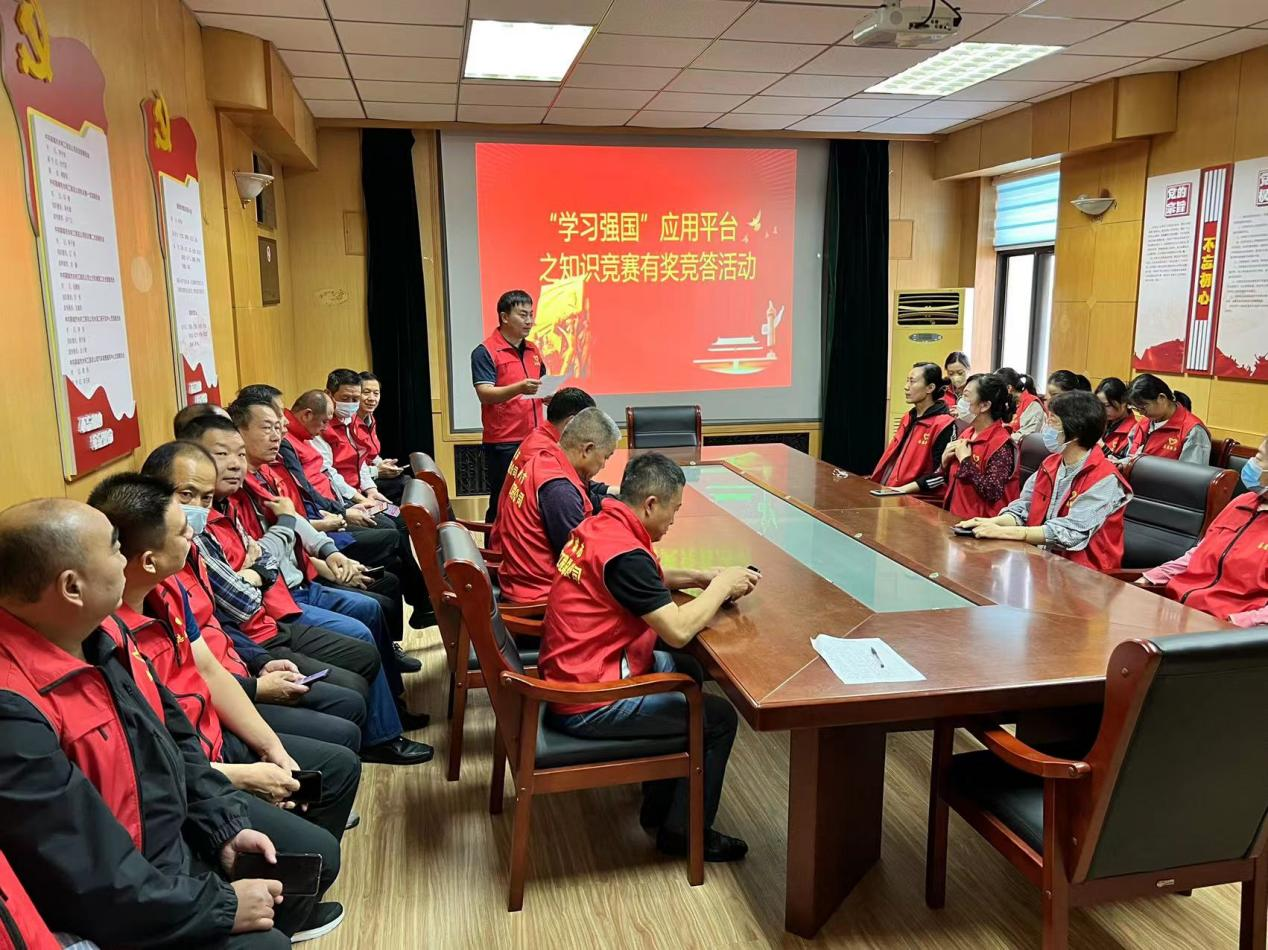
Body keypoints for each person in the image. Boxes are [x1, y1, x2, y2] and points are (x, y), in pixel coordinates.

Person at [0, 498, 323, 947]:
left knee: (303, 864)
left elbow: (174, 740)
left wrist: (222, 829)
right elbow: (88, 874)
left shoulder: (104, 632)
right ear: (72, 587)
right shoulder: (13, 709)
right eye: (116, 549)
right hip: (126, 897)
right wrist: (220, 906)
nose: (125, 561)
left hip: (168, 850)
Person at [86, 473, 362, 844]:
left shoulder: (168, 589)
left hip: (213, 735)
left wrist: (272, 749)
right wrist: (243, 777)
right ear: (149, 560)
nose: (192, 533)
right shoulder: (104, 638)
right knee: (319, 848)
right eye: (182, 531)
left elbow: (209, 671)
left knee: (338, 767)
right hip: (187, 775)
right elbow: (151, 761)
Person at [540, 452, 760, 862]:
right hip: (589, 699)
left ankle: (660, 808)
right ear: (651, 504)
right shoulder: (625, 554)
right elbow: (676, 630)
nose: (674, 520)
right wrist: (721, 587)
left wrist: (700, 577)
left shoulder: (603, 525)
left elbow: (645, 579)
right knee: (719, 718)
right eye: (674, 510)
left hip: (575, 669)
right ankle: (686, 835)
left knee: (688, 669)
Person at [224, 399, 434, 765]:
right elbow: (264, 560)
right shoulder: (231, 498)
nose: (278, 434)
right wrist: (306, 540)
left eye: (279, 425)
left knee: (375, 600)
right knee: (367, 616)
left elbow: (293, 525)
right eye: (268, 427)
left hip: (302, 575)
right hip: (279, 603)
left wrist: (327, 554)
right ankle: (382, 734)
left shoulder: (264, 475)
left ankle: (393, 710)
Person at [142, 440, 368, 753]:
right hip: (222, 697)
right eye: (186, 495)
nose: (197, 508)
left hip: (248, 652)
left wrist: (260, 663)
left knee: (356, 675)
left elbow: (220, 621)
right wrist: (256, 686)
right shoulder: (156, 578)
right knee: (345, 721)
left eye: (205, 498)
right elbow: (241, 603)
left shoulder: (191, 546)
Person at [957, 391, 1132, 572]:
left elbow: (1071, 533)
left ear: (1076, 432)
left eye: (1053, 421)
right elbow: (1024, 508)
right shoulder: (1051, 464)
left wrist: (1004, 532)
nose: (1046, 428)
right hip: (1044, 563)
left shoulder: (1105, 478)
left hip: (1085, 575)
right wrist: (991, 523)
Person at [1135, 433, 1268, 626]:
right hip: (1178, 610)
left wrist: (1235, 623)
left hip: (1226, 630)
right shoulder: (1241, 502)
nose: (1251, 463)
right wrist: (1150, 578)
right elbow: (1198, 554)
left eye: (1259, 458)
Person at [496, 408, 620, 604]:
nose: (604, 465)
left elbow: (585, 498)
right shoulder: (559, 491)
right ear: (587, 450)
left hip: (522, 581)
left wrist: (618, 505)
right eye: (606, 456)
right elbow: (582, 560)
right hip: (541, 598)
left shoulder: (547, 458)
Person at [471, 289, 546, 522]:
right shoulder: (485, 351)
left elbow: (540, 384)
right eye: (523, 315)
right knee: (503, 500)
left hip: (535, 437)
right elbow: (485, 394)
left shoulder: (533, 349)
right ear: (504, 317)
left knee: (533, 498)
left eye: (531, 314)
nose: (529, 321)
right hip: (504, 441)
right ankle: (493, 541)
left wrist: (548, 395)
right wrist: (520, 388)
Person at [941, 373, 1020, 520]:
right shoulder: (967, 433)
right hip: (953, 517)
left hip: (979, 526)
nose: (960, 402)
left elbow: (992, 491)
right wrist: (944, 463)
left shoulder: (1001, 445)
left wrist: (966, 461)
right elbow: (951, 481)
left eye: (966, 396)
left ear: (984, 405)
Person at [870, 362, 956, 497]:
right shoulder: (908, 417)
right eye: (907, 381)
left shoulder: (944, 424)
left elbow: (941, 474)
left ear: (930, 388)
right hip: (891, 492)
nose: (906, 387)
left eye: (912, 381)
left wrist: (903, 489)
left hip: (918, 499)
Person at [1122, 373, 1211, 465]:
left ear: (1162, 398)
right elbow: (1130, 457)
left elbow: (1192, 471)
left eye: (1143, 407)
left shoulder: (1193, 431)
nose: (1141, 413)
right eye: (1136, 409)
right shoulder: (1143, 424)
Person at [355, 370, 408, 503]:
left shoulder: (370, 419)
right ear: (356, 394)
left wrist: (382, 464)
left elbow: (372, 455)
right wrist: (376, 471)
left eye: (376, 393)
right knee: (404, 484)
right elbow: (351, 467)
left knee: (409, 482)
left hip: (371, 474)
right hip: (360, 483)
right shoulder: (349, 424)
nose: (372, 398)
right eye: (366, 392)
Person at [1093, 377, 1136, 459]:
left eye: (1107, 405)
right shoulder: (1101, 421)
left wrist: (1101, 445)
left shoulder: (1134, 431)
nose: (1102, 410)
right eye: (1099, 405)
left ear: (1124, 402)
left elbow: (1124, 464)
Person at [998, 367, 1044, 443]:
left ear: (1009, 388)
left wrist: (998, 440)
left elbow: (1027, 435)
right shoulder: (1010, 403)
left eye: (998, 391)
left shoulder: (1032, 404)